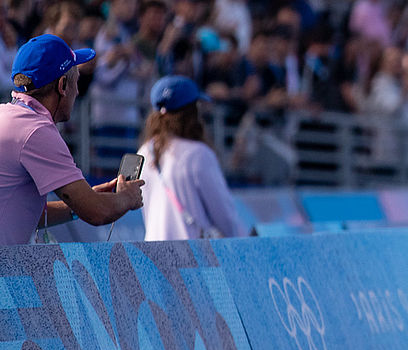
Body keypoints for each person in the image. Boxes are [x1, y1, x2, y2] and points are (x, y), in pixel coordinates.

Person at [0, 34, 144, 244]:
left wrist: (80, 200)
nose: (77, 91)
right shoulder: (37, 130)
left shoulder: (7, 115)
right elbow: (97, 212)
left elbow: (24, 213)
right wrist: (128, 198)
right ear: (62, 85)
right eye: (77, 80)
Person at [138, 75, 246, 240]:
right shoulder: (198, 154)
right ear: (193, 111)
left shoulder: (144, 152)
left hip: (153, 254)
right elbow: (225, 218)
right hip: (193, 256)